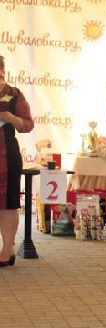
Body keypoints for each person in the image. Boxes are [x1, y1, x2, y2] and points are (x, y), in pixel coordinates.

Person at [0, 54, 34, 267]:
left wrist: (10, 118)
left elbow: (28, 125)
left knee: (8, 204)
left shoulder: (13, 95)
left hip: (6, 155)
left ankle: (7, 250)